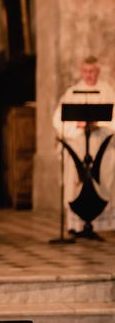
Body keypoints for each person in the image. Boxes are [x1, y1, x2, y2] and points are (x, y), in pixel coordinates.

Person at [53, 55, 115, 233]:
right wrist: (77, 124)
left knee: (105, 173)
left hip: (101, 144)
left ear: (98, 71)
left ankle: (101, 223)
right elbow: (58, 119)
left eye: (93, 71)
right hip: (78, 144)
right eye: (86, 71)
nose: (89, 75)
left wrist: (98, 124)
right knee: (75, 176)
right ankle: (77, 223)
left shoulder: (107, 92)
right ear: (82, 71)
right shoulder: (72, 92)